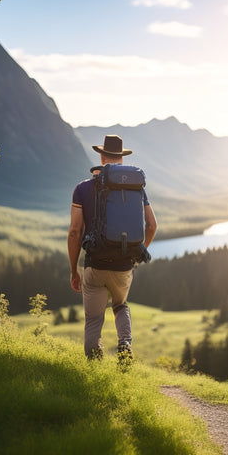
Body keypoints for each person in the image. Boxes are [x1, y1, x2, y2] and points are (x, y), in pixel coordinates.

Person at [67, 134, 157, 362]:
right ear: (121, 160)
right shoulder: (136, 188)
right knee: (120, 304)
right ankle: (125, 344)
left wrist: (73, 269)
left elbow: (75, 232)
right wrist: (136, 253)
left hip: (95, 264)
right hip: (124, 265)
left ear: (101, 155)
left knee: (94, 319)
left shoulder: (83, 188)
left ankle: (94, 362)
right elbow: (152, 225)